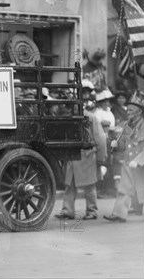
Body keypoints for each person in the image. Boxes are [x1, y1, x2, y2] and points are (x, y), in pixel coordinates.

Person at [54, 88, 108, 221]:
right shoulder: (68, 118)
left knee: (90, 186)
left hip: (87, 154)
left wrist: (101, 158)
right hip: (73, 155)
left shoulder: (90, 117)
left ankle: (92, 211)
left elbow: (100, 138)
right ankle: (67, 211)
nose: (69, 107)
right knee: (69, 185)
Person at [104, 91, 144, 223]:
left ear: (139, 111)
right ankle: (119, 214)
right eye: (128, 110)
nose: (129, 112)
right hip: (129, 161)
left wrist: (139, 160)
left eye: (132, 110)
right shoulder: (128, 124)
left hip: (142, 163)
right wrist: (115, 142)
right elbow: (122, 141)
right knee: (124, 188)